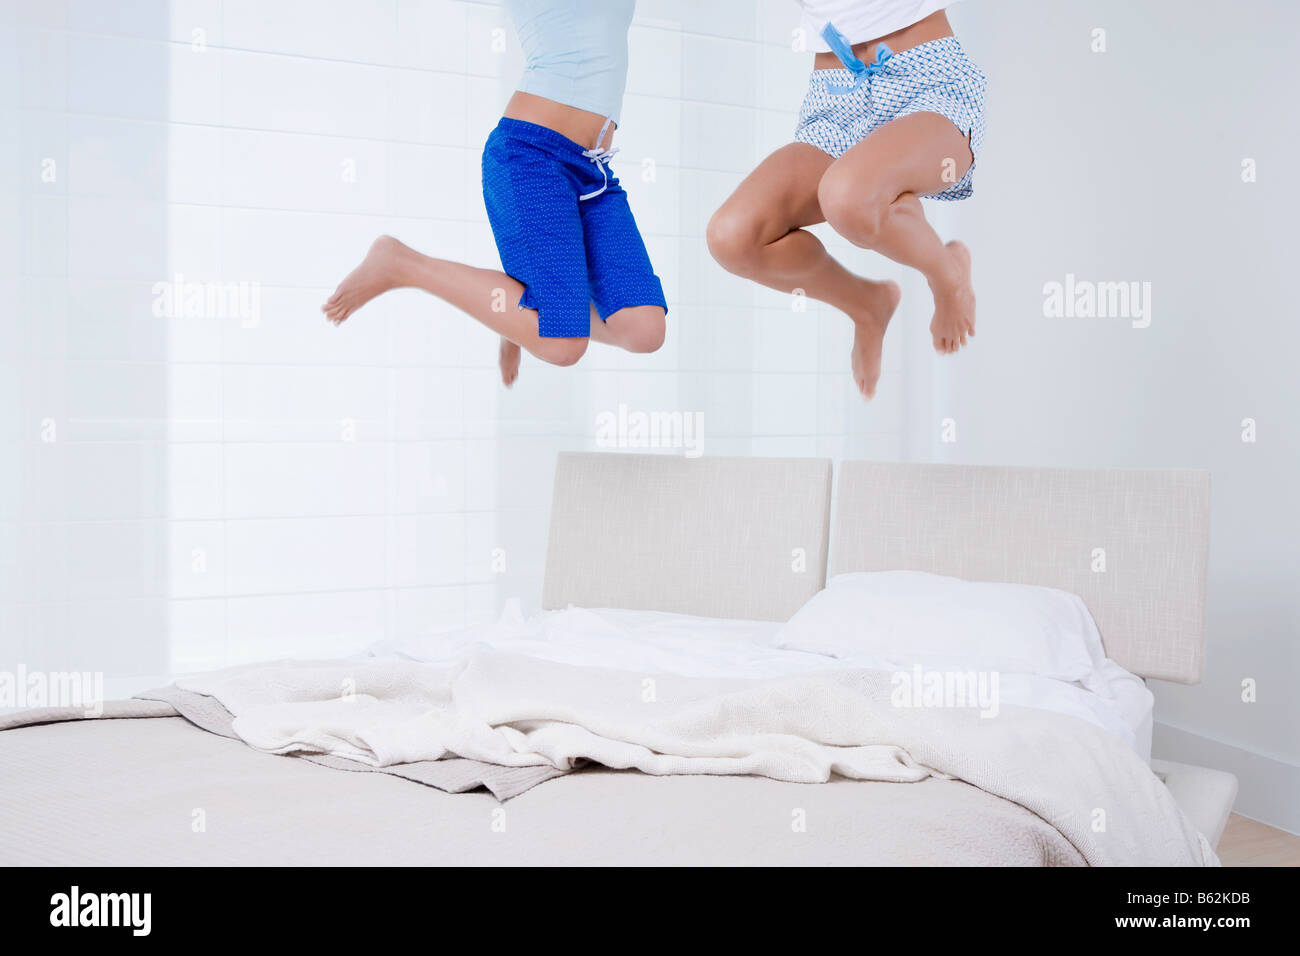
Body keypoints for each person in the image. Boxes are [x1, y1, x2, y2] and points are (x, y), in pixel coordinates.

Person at [322, 0, 667, 386]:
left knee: (643, 329)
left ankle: (522, 313)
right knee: (562, 345)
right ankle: (401, 263)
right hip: (531, 156)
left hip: (594, 168)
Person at [706, 1, 986, 399]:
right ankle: (867, 305)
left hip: (926, 77)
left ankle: (947, 277)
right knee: (732, 237)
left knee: (848, 197)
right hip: (836, 97)